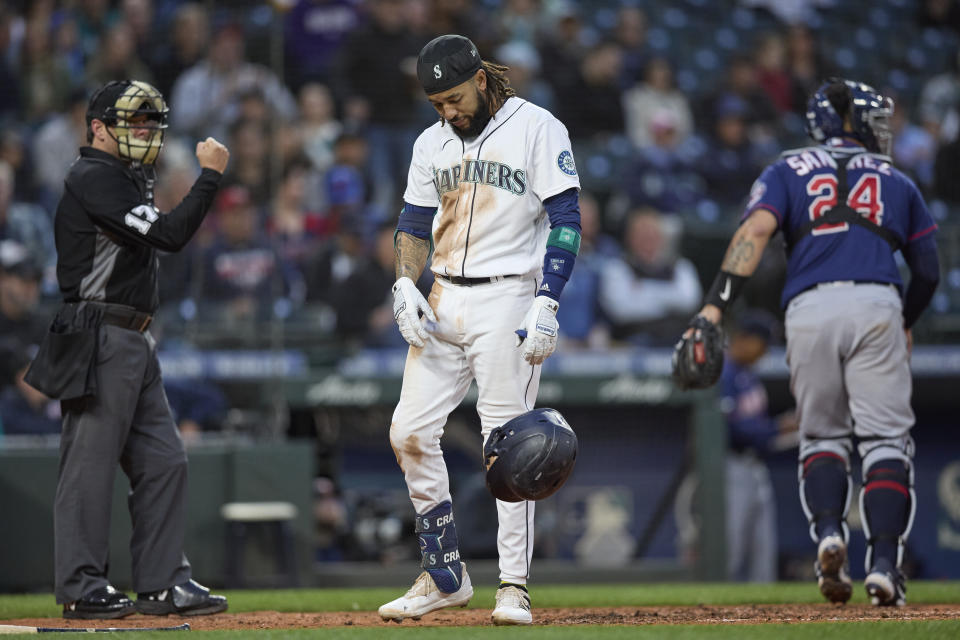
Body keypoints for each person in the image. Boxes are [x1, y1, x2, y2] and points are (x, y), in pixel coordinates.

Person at [678, 79, 940, 606]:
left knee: (821, 435)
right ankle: (885, 566)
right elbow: (929, 272)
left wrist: (714, 307)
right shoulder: (897, 177)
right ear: (856, 122)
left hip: (809, 308)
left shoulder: (785, 168)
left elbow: (753, 236)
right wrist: (905, 319)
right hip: (876, 303)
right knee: (886, 441)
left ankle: (828, 535)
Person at [379, 35, 582, 626]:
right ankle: (444, 574)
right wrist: (404, 284)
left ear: (483, 80)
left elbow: (566, 218)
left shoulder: (538, 127)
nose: (449, 111)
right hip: (444, 296)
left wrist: (548, 299)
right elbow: (414, 224)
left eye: (455, 97)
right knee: (408, 432)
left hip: (509, 295)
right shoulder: (430, 142)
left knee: (509, 445)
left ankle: (513, 586)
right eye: (438, 102)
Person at [23, 80, 230, 619]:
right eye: (132, 124)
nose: (144, 133)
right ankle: (80, 586)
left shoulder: (124, 177)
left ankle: (163, 582)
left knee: (164, 461)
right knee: (88, 468)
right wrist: (209, 178)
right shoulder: (94, 176)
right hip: (100, 333)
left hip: (133, 337)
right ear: (97, 128)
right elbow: (169, 235)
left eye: (149, 124)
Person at [720, 310, 797, 582]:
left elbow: (755, 425)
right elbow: (732, 429)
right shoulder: (723, 372)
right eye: (761, 345)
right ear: (743, 339)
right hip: (729, 465)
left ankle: (762, 614)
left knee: (762, 549)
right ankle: (710, 610)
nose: (763, 353)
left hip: (755, 466)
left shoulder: (748, 375)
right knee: (730, 548)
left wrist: (780, 428)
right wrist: (777, 428)